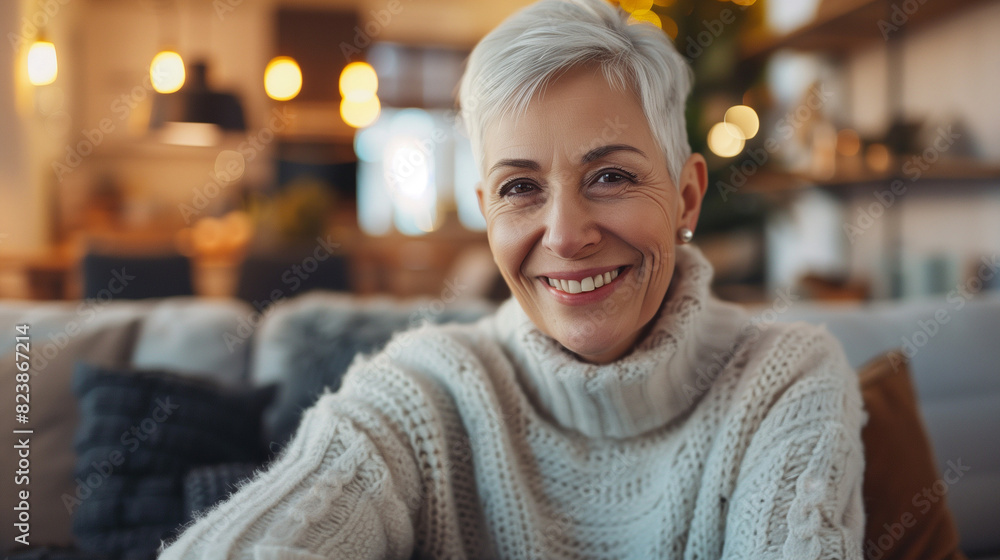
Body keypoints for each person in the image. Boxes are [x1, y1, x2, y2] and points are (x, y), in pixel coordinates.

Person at [159, 0, 865, 557]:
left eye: (610, 176)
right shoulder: (423, 390)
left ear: (686, 197)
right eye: (520, 188)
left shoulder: (784, 380)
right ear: (487, 212)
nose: (564, 234)